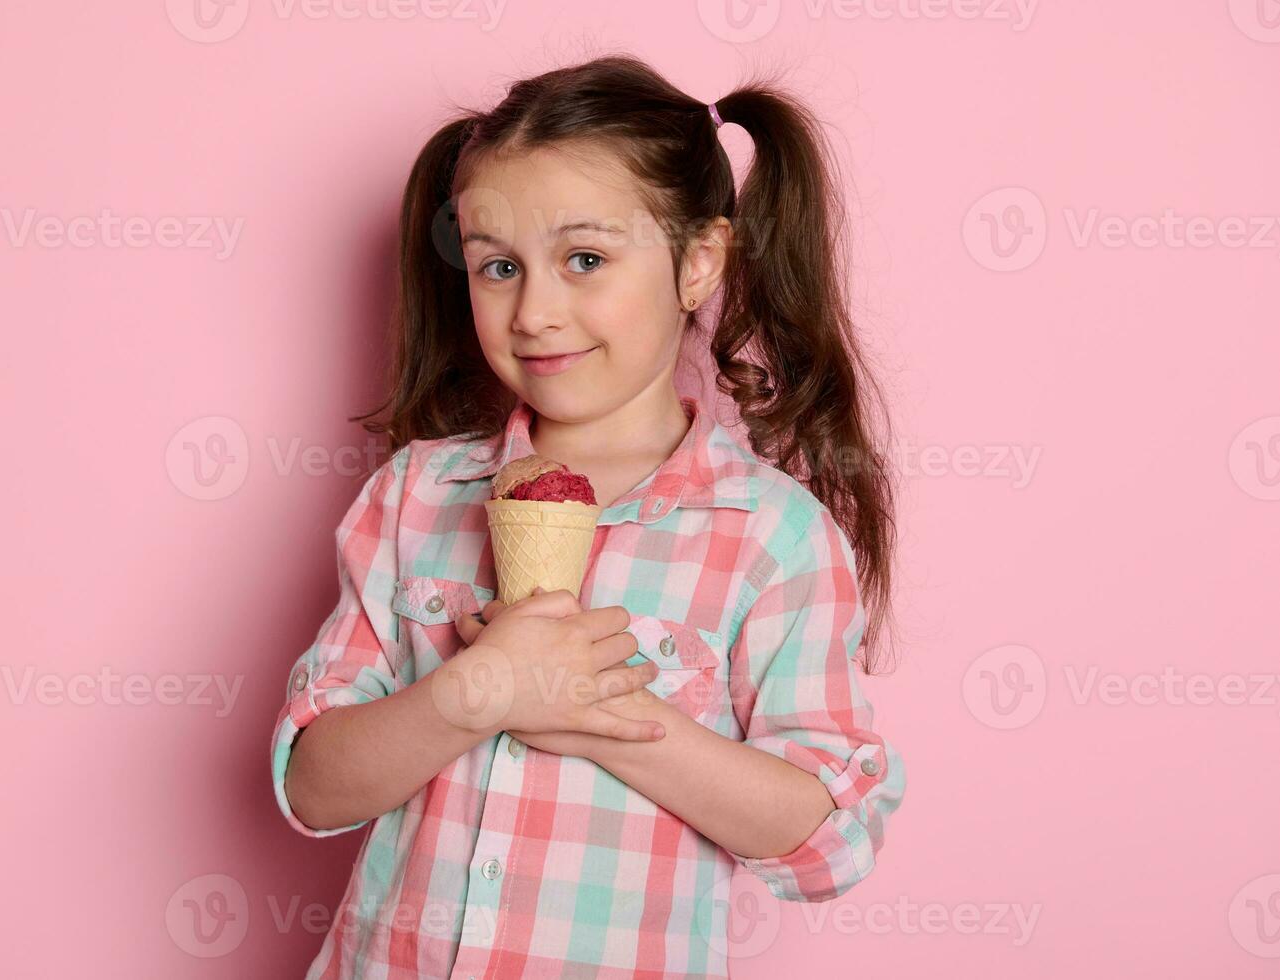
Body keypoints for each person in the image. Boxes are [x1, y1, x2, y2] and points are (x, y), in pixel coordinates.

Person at [271, 53, 907, 979]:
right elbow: (314, 786)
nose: (534, 311)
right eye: (498, 267)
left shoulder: (770, 533)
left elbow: (827, 843)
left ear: (698, 263)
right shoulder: (420, 494)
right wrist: (473, 692)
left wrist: (602, 711)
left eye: (584, 260)